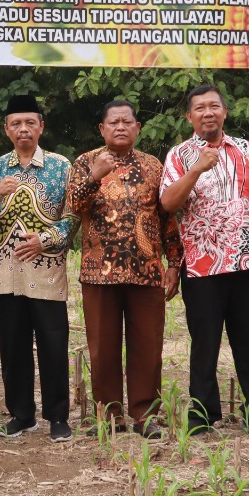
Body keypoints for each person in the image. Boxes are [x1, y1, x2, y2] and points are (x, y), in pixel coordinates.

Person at [160, 84, 249, 436]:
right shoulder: (180, 155)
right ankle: (201, 415)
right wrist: (197, 169)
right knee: (205, 342)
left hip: (248, 262)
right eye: (200, 108)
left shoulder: (246, 149)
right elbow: (168, 203)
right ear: (190, 117)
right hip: (202, 264)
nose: (208, 113)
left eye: (214, 106)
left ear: (225, 112)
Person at [66, 99, 181, 440]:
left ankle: (146, 416)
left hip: (146, 271)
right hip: (98, 271)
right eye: (112, 122)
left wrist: (174, 263)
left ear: (137, 128)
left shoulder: (153, 165)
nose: (120, 127)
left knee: (148, 346)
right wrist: (95, 176)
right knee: (103, 347)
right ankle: (109, 414)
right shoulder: (86, 161)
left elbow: (167, 217)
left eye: (126, 122)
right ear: (101, 129)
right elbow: (74, 206)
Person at [0, 95, 76, 442]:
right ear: (6, 129)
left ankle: (58, 417)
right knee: (12, 345)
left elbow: (71, 220)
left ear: (41, 126)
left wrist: (44, 240)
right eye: (16, 123)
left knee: (53, 344)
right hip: (6, 275)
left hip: (46, 272)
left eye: (30, 122)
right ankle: (21, 414)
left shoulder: (62, 166)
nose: (23, 129)